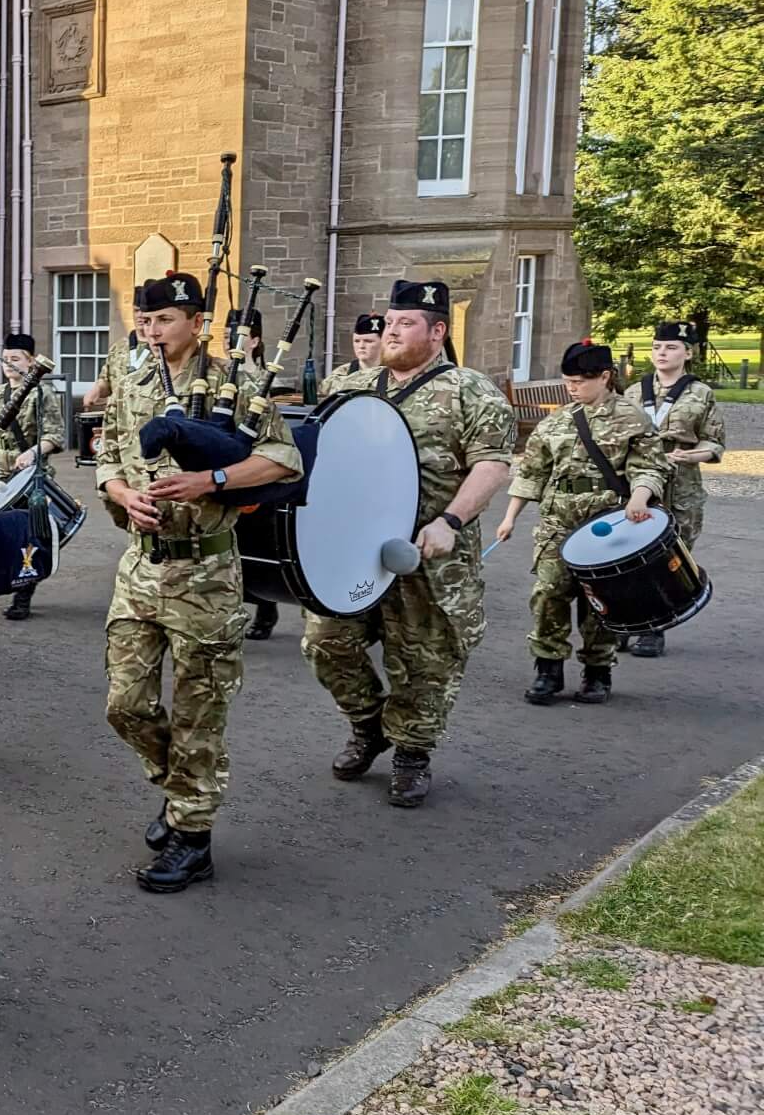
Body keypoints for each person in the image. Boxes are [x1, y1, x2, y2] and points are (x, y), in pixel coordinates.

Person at [95, 273, 302, 892]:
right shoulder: (130, 384)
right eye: (145, 320)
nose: (152, 331)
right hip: (141, 567)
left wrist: (208, 481)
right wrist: (123, 494)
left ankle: (192, 837)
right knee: (125, 704)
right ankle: (181, 788)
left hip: (207, 573)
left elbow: (283, 461)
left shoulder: (235, 385)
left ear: (195, 322)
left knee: (198, 712)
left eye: (165, 320)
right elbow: (107, 456)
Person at [301, 279, 515, 806]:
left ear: (437, 332)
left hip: (432, 556)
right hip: (354, 550)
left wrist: (450, 520)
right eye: (390, 323)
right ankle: (369, 725)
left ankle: (411, 754)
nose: (392, 331)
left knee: (424, 659)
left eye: (406, 324)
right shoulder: (348, 386)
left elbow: (492, 464)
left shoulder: (470, 390)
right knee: (326, 641)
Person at [496, 341, 668, 706]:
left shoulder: (633, 418)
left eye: (579, 381)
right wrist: (510, 518)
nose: (572, 388)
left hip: (608, 523)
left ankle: (597, 671)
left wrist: (640, 496)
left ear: (605, 376)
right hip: (557, 520)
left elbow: (651, 467)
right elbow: (531, 473)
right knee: (548, 594)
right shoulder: (556, 422)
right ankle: (548, 669)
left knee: (600, 601)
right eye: (567, 381)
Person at [626, 319, 724, 657]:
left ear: (688, 352)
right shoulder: (635, 392)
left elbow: (715, 443)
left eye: (670, 347)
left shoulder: (701, 393)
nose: (662, 353)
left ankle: (656, 628)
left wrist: (693, 454)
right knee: (629, 555)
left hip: (681, 486)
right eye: (656, 347)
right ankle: (627, 623)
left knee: (669, 558)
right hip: (637, 482)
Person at [0, 331, 64, 620]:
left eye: (15, 359)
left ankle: (24, 592)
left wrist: (33, 452)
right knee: (1, 533)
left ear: (30, 362)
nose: (8, 364)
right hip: (1, 472)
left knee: (28, 536)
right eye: (5, 359)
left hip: (31, 474)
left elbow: (55, 436)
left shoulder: (42, 394)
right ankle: (10, 580)